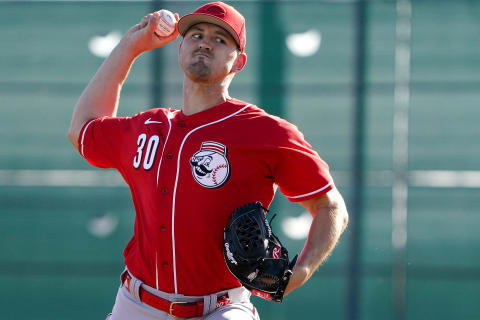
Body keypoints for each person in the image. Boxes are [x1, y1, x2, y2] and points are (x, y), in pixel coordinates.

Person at [67, 2, 348, 320]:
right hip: (136, 304)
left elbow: (330, 206)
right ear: (180, 47)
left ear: (238, 62)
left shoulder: (266, 131)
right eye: (196, 34)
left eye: (220, 39)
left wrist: (304, 268)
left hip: (222, 308)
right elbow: (83, 130)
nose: (205, 42)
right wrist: (129, 47)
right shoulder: (149, 128)